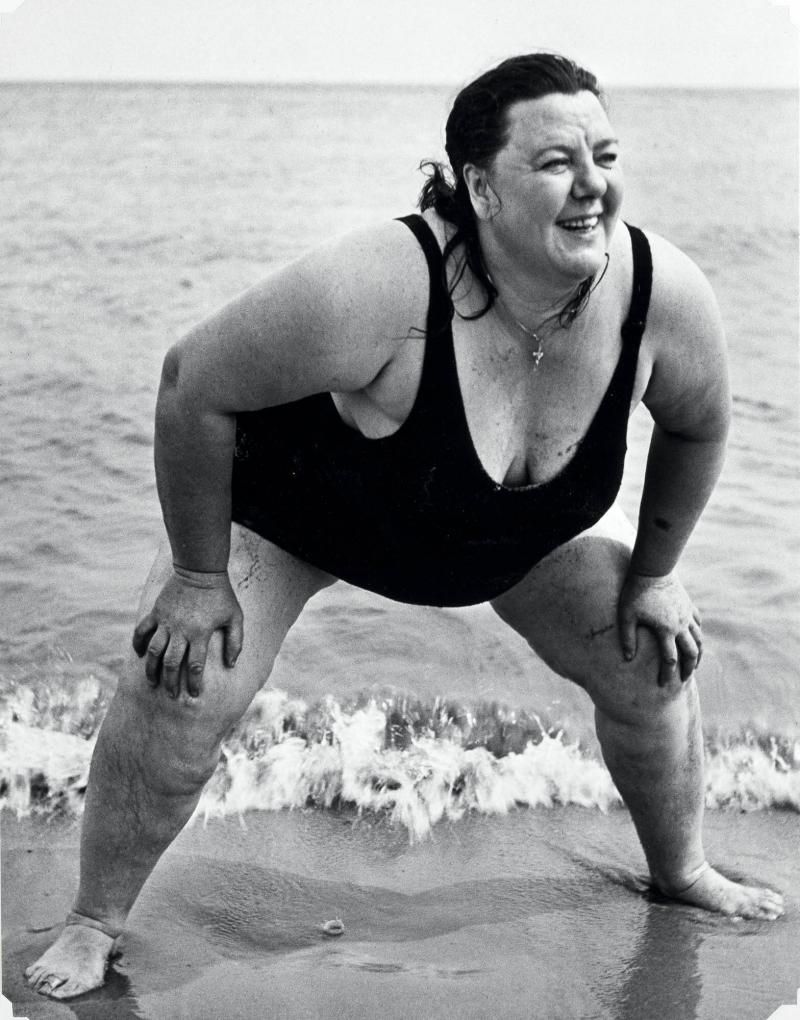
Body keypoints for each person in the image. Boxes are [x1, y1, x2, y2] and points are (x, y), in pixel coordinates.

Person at [26, 52, 784, 1000]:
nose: (594, 181)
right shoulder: (385, 285)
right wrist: (196, 575)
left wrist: (660, 570)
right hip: (307, 515)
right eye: (556, 162)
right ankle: (96, 921)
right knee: (185, 675)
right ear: (481, 187)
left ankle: (681, 872)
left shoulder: (661, 295)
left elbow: (700, 421)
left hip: (507, 535)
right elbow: (191, 384)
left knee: (652, 652)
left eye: (606, 151)